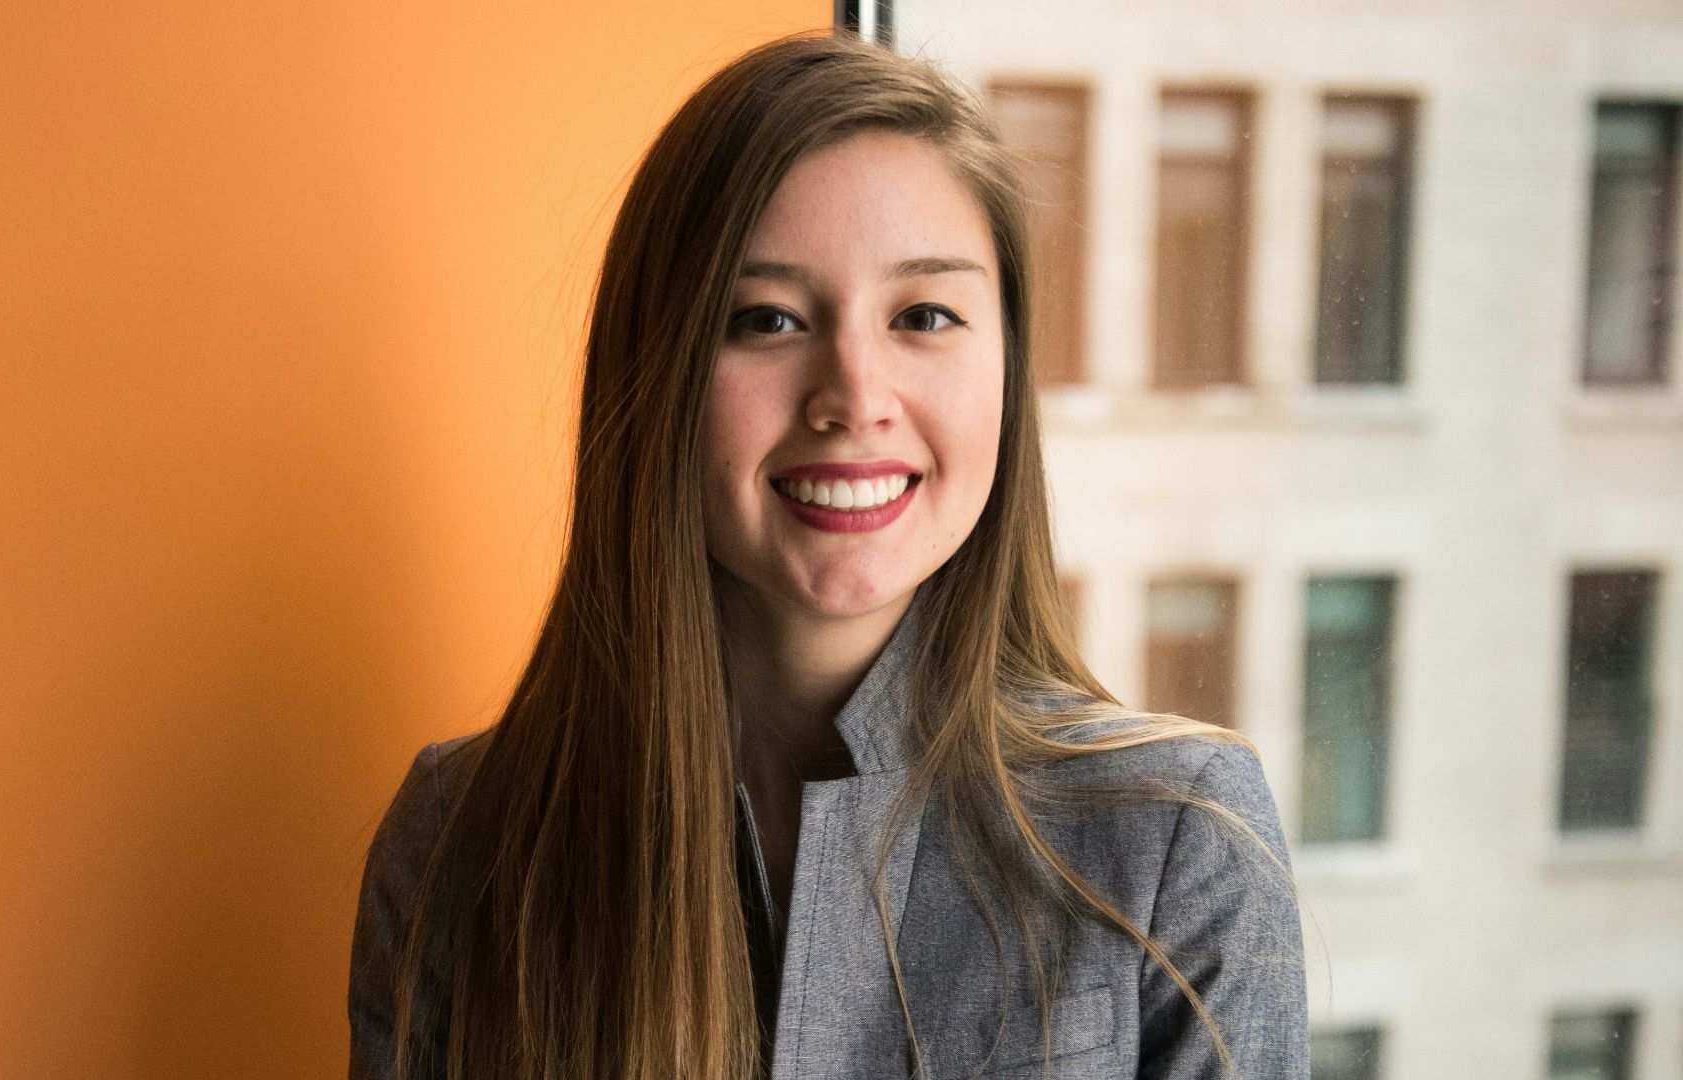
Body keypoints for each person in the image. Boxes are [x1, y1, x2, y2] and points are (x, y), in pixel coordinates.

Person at [348, 31, 1308, 1080]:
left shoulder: (1180, 837)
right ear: (656, 373)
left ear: (1005, 370)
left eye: (924, 316)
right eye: (767, 319)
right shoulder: (461, 846)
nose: (853, 395)